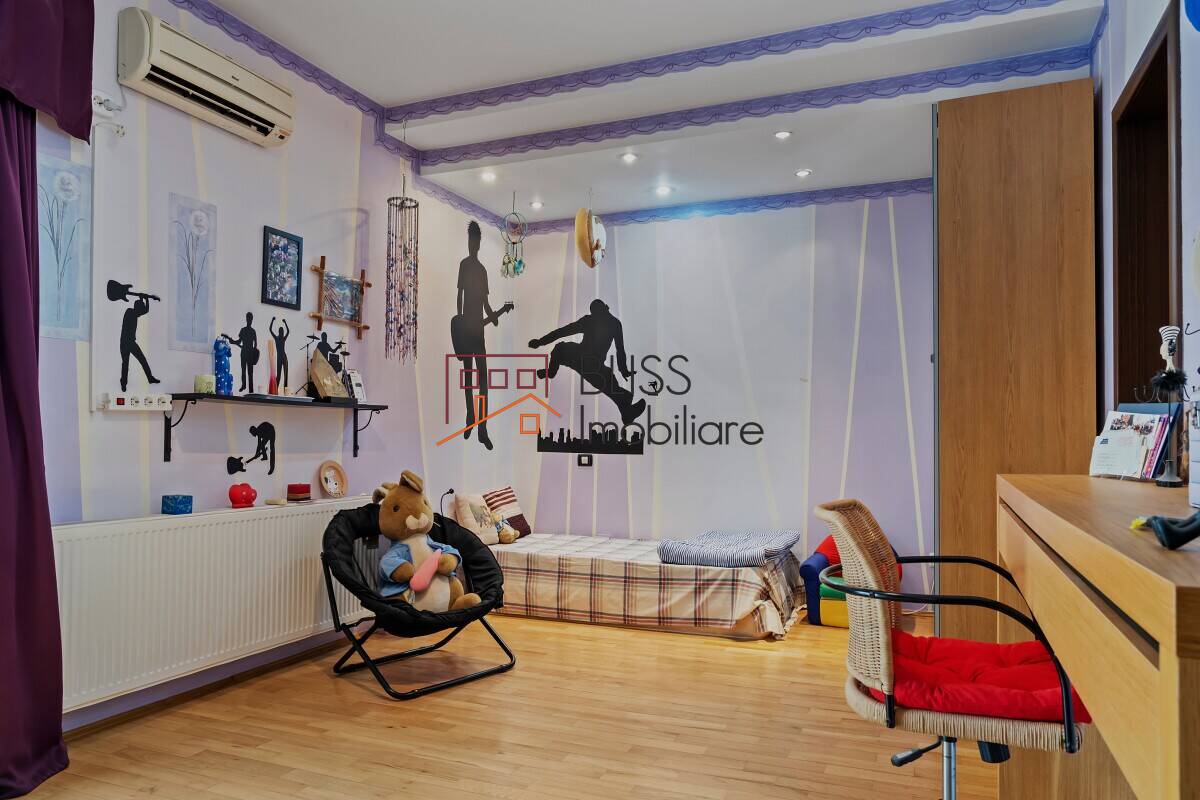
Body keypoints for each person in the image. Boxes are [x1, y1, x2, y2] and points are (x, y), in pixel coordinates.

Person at [528, 299, 646, 426]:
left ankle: (627, 412)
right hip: (586, 359)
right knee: (561, 349)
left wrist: (623, 369)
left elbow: (620, 349)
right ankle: (627, 411)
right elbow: (564, 331)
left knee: (609, 383)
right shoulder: (609, 323)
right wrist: (541, 342)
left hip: (588, 360)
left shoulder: (604, 322)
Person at [455, 221, 502, 450]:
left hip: (478, 334)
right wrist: (459, 322)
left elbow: (485, 303)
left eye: (475, 241)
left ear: (479, 244)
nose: (472, 245)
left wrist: (494, 316)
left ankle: (482, 428)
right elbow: (459, 296)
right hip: (466, 331)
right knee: (468, 379)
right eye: (470, 241)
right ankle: (470, 417)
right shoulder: (464, 265)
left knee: (482, 381)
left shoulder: (482, 270)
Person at [118, 295, 159, 392]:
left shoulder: (134, 312)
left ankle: (150, 378)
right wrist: (144, 298)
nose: (141, 313)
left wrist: (144, 298)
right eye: (140, 310)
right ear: (137, 308)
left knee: (141, 360)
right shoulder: (130, 312)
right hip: (126, 342)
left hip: (130, 342)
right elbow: (144, 310)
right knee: (126, 364)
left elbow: (144, 310)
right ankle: (123, 383)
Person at [222, 312, 259, 392]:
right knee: (243, 370)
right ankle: (244, 385)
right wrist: (231, 340)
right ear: (246, 319)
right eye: (248, 318)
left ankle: (251, 389)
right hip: (244, 353)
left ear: (252, 319)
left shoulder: (253, 331)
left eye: (250, 318)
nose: (249, 320)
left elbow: (255, 343)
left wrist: (254, 353)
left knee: (250, 372)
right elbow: (239, 341)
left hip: (250, 354)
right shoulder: (243, 330)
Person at [269, 317, 290, 388]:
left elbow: (288, 332)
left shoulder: (283, 338)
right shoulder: (277, 338)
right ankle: (275, 388)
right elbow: (270, 330)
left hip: (284, 357)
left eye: (282, 332)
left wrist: (285, 323)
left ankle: (285, 389)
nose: (282, 333)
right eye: (281, 331)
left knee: (285, 374)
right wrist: (272, 321)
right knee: (278, 375)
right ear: (279, 332)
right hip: (279, 358)